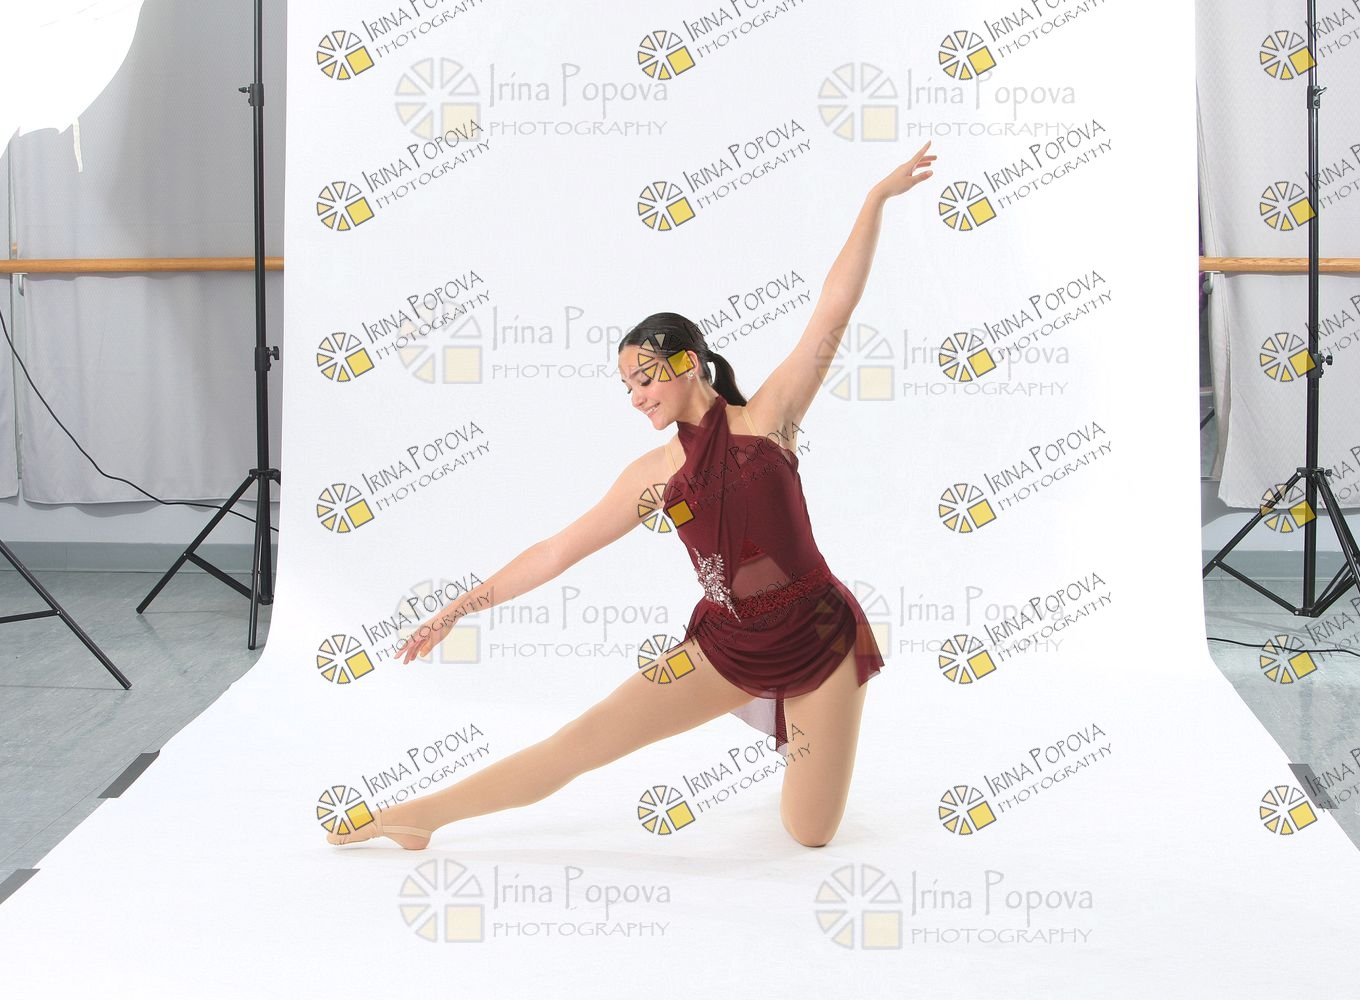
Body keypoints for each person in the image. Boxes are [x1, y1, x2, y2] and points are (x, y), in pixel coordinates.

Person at [326, 141, 937, 851]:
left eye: (644, 379)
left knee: (809, 833)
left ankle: (808, 734)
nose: (636, 396)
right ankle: (416, 816)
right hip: (728, 643)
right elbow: (556, 552)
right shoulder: (653, 475)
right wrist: (459, 608)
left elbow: (834, 306)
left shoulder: (769, 418)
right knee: (581, 741)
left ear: (688, 363)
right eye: (627, 386)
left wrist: (874, 199)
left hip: (821, 636)